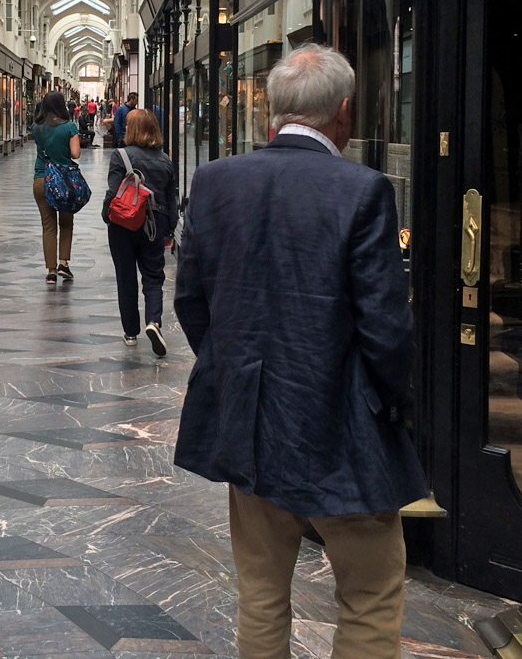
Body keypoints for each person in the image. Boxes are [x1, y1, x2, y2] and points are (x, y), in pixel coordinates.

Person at [173, 44, 426, 659]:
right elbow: (385, 328)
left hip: (251, 425)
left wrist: (236, 371)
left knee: (260, 593)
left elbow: (190, 299)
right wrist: (392, 406)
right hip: (342, 430)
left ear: (269, 114)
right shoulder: (362, 190)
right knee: (369, 594)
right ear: (344, 113)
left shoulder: (215, 181)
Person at [103, 109, 177, 354]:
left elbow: (113, 192)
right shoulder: (165, 160)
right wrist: (170, 229)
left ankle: (130, 332)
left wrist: (107, 216)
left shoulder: (120, 155)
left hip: (123, 223)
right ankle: (153, 321)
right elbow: (171, 198)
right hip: (154, 224)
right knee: (153, 276)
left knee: (126, 276)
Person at [32, 90, 81, 285]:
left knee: (48, 226)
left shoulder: (36, 127)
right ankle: (63, 263)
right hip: (64, 182)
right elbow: (75, 154)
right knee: (66, 223)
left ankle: (51, 271)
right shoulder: (69, 127)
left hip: (41, 179)